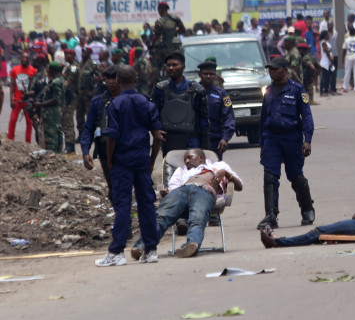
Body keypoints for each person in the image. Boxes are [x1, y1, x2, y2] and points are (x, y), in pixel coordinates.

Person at [96, 65, 162, 267]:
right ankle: (150, 250)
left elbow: (111, 138)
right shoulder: (146, 102)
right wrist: (151, 161)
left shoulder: (114, 105)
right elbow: (157, 136)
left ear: (117, 79)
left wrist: (109, 160)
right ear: (136, 78)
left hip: (122, 161)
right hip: (141, 160)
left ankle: (116, 252)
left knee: (123, 205)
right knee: (147, 204)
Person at [130, 148, 243, 259]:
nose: (187, 161)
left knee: (197, 218)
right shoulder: (181, 170)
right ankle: (142, 246)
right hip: (181, 191)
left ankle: (191, 246)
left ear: (201, 158)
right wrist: (166, 193)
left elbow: (239, 186)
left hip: (205, 190)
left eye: (189, 157)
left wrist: (226, 174)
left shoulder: (219, 166)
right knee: (162, 216)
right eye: (185, 159)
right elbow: (173, 188)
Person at [257, 56, 315, 230]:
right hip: (272, 139)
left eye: (275, 69)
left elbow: (307, 117)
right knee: (270, 176)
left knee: (295, 175)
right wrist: (262, 143)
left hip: (291, 138)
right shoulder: (268, 91)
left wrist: (308, 140)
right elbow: (263, 119)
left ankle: (307, 209)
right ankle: (271, 215)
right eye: (270, 69)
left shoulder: (297, 90)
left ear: (284, 69)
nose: (272, 72)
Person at [152, 52, 210, 155]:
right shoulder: (160, 89)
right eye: (168, 65)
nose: (171, 68)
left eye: (175, 65)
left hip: (191, 139)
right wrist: (156, 129)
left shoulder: (196, 90)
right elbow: (154, 113)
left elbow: (203, 118)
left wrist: (204, 144)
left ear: (183, 66)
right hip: (168, 138)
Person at [81, 65, 120, 200]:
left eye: (114, 78)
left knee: (123, 187)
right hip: (105, 151)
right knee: (113, 187)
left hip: (126, 150)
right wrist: (85, 152)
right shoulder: (98, 102)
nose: (111, 82)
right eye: (108, 78)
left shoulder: (130, 100)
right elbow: (89, 127)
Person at [197, 61, 235, 160]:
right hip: (196, 139)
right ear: (199, 74)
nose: (208, 76)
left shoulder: (221, 94)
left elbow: (228, 117)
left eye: (211, 74)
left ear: (215, 75)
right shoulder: (193, 91)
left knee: (214, 170)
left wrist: (225, 138)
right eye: (205, 74)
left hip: (214, 140)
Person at [149, 1, 186, 89]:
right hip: (175, 49)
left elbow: (157, 36)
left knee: (156, 67)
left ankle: (153, 85)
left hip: (164, 51)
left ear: (160, 10)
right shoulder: (175, 18)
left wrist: (152, 45)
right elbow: (183, 29)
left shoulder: (159, 22)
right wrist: (174, 33)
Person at [34, 61, 66, 153]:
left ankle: (53, 155)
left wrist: (41, 104)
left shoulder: (55, 82)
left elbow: (56, 99)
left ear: (51, 70)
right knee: (58, 133)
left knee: (51, 136)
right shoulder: (62, 80)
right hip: (58, 112)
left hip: (51, 113)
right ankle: (59, 154)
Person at [8, 51, 37, 143]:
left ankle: (28, 141)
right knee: (13, 120)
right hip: (17, 99)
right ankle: (10, 140)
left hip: (28, 101)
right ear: (20, 58)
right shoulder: (15, 70)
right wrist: (11, 99)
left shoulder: (33, 70)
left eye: (27, 58)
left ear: (29, 60)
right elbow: (12, 85)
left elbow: (35, 87)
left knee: (29, 122)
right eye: (23, 58)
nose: (25, 59)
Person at [76, 47, 99, 140]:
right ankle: (81, 133)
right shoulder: (79, 64)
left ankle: (91, 134)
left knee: (89, 114)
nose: (83, 54)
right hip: (79, 93)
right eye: (82, 52)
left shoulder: (93, 65)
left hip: (88, 92)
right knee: (79, 114)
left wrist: (93, 91)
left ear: (89, 54)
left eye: (85, 52)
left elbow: (98, 79)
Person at [61, 49, 80, 153]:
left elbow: (69, 83)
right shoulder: (69, 66)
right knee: (65, 120)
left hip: (71, 97)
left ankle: (70, 145)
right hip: (68, 97)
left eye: (67, 55)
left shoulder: (73, 67)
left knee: (68, 120)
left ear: (72, 55)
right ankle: (68, 144)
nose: (65, 57)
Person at [342, 27, 355, 92]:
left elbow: (344, 50)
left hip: (348, 58)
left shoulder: (346, 40)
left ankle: (345, 87)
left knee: (347, 73)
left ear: (349, 33)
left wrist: (343, 58)